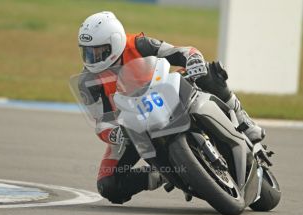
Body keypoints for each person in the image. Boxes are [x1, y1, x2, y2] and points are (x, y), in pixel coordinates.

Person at [77, 11, 265, 204]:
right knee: (108, 184)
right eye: (87, 52)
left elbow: (180, 52)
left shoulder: (138, 44)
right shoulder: (88, 82)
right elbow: (100, 121)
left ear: (115, 42)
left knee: (208, 71)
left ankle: (243, 119)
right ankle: (162, 173)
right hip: (132, 125)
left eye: (98, 51)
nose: (92, 58)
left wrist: (193, 59)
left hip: (165, 92)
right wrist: (113, 133)